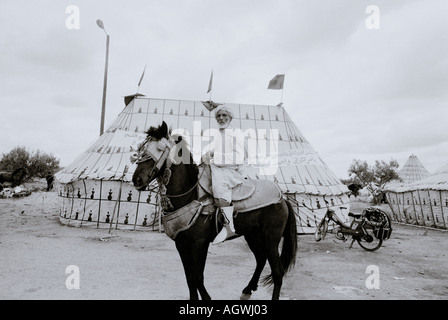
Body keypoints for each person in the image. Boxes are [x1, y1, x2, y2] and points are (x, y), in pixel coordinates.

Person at [203, 105, 247, 244]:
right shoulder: (218, 134)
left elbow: (239, 156)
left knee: (219, 187)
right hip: (218, 166)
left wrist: (214, 155)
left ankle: (228, 226)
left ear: (230, 118)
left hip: (231, 169)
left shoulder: (236, 133)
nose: (221, 118)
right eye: (219, 116)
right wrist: (207, 154)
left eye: (224, 116)